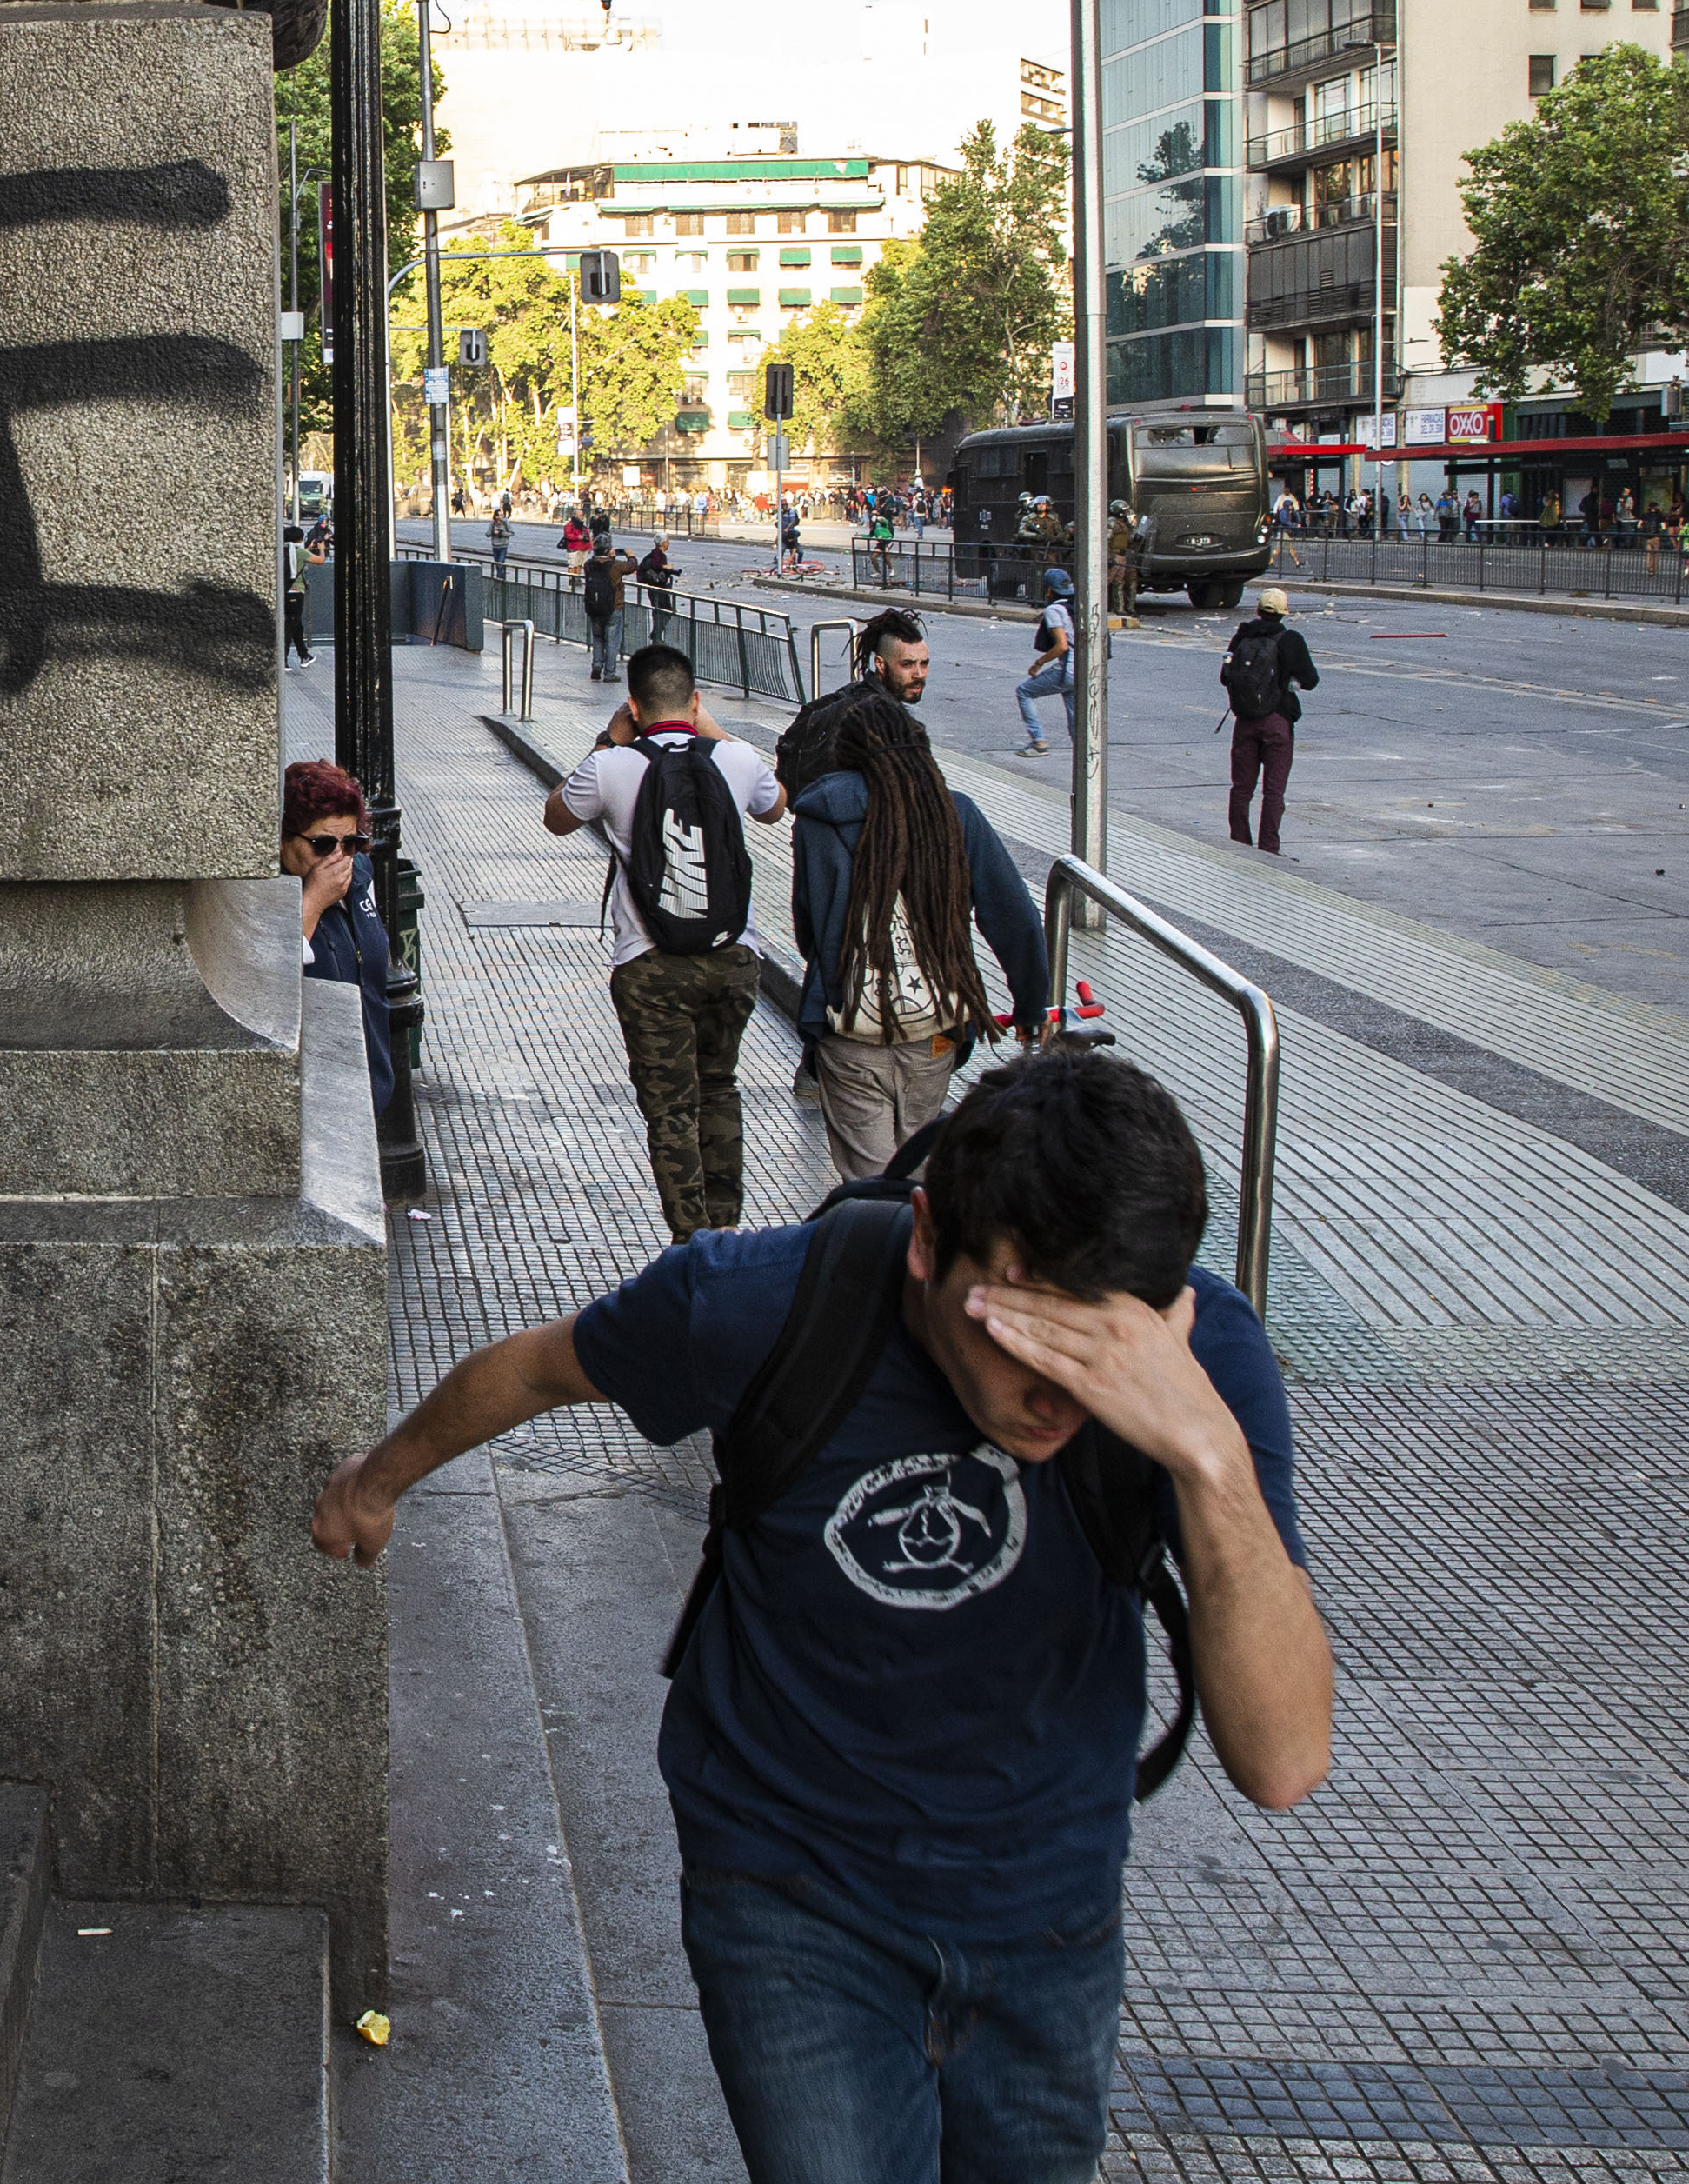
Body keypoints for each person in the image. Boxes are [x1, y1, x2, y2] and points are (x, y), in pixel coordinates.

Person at [309, 1050, 1331, 2184]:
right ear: (930, 1240)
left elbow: (1282, 1759)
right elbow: (538, 1369)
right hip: (793, 1895)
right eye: (1023, 1326)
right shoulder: (759, 1302)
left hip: (1047, 1911)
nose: (1061, 1391)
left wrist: (1206, 1456)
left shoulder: (1202, 1359)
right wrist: (373, 1482)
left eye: (1103, 1350)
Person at [546, 646, 788, 1235]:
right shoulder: (734, 757)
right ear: (696, 699)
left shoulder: (611, 766)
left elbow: (556, 815)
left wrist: (607, 739)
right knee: (720, 1087)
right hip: (733, 957)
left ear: (633, 705)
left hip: (650, 966)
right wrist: (713, 729)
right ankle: (727, 1231)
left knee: (671, 1110)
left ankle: (690, 1242)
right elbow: (775, 806)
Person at [788, 701, 1052, 1181]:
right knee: (920, 1169)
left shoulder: (818, 817)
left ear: (846, 754)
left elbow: (808, 927)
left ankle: (883, 1247)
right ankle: (921, 1246)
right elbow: (1015, 919)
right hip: (934, 1031)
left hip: (848, 1030)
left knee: (870, 1187)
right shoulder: (954, 813)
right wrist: (1032, 1007)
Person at [283, 760, 398, 1120]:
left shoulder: (361, 877)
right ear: (284, 839)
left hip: (368, 1090)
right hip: (313, 1099)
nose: (338, 858)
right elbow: (266, 983)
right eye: (322, 844)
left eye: (351, 843)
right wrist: (314, 902)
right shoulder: (270, 894)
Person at [1220, 586, 1317, 855]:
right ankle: (1269, 848)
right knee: (1273, 791)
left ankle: (1239, 844)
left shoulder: (1242, 636)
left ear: (1258, 610)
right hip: (1278, 722)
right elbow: (1311, 680)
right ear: (1284, 613)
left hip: (1245, 722)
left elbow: (1225, 676)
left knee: (1241, 788)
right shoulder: (1291, 640)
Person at [1014, 569, 1078, 758]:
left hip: (1069, 668)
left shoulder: (1054, 610)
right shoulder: (1078, 606)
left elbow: (1062, 646)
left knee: (1024, 692)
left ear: (1049, 590)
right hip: (1085, 670)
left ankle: (1038, 742)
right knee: (1075, 715)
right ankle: (1082, 752)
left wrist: (1038, 663)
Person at [583, 544, 628, 683]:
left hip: (594, 607)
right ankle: (610, 672)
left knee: (597, 638)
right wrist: (630, 555)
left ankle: (597, 664)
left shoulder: (588, 564)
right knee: (612, 641)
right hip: (613, 607)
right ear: (608, 551)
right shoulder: (614, 566)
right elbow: (632, 566)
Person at [281, 523, 312, 665]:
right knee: (290, 626)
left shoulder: (285, 550)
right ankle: (283, 660)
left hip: (285, 592)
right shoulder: (300, 552)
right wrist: (322, 550)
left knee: (296, 626)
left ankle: (304, 656)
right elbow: (320, 560)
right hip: (296, 592)